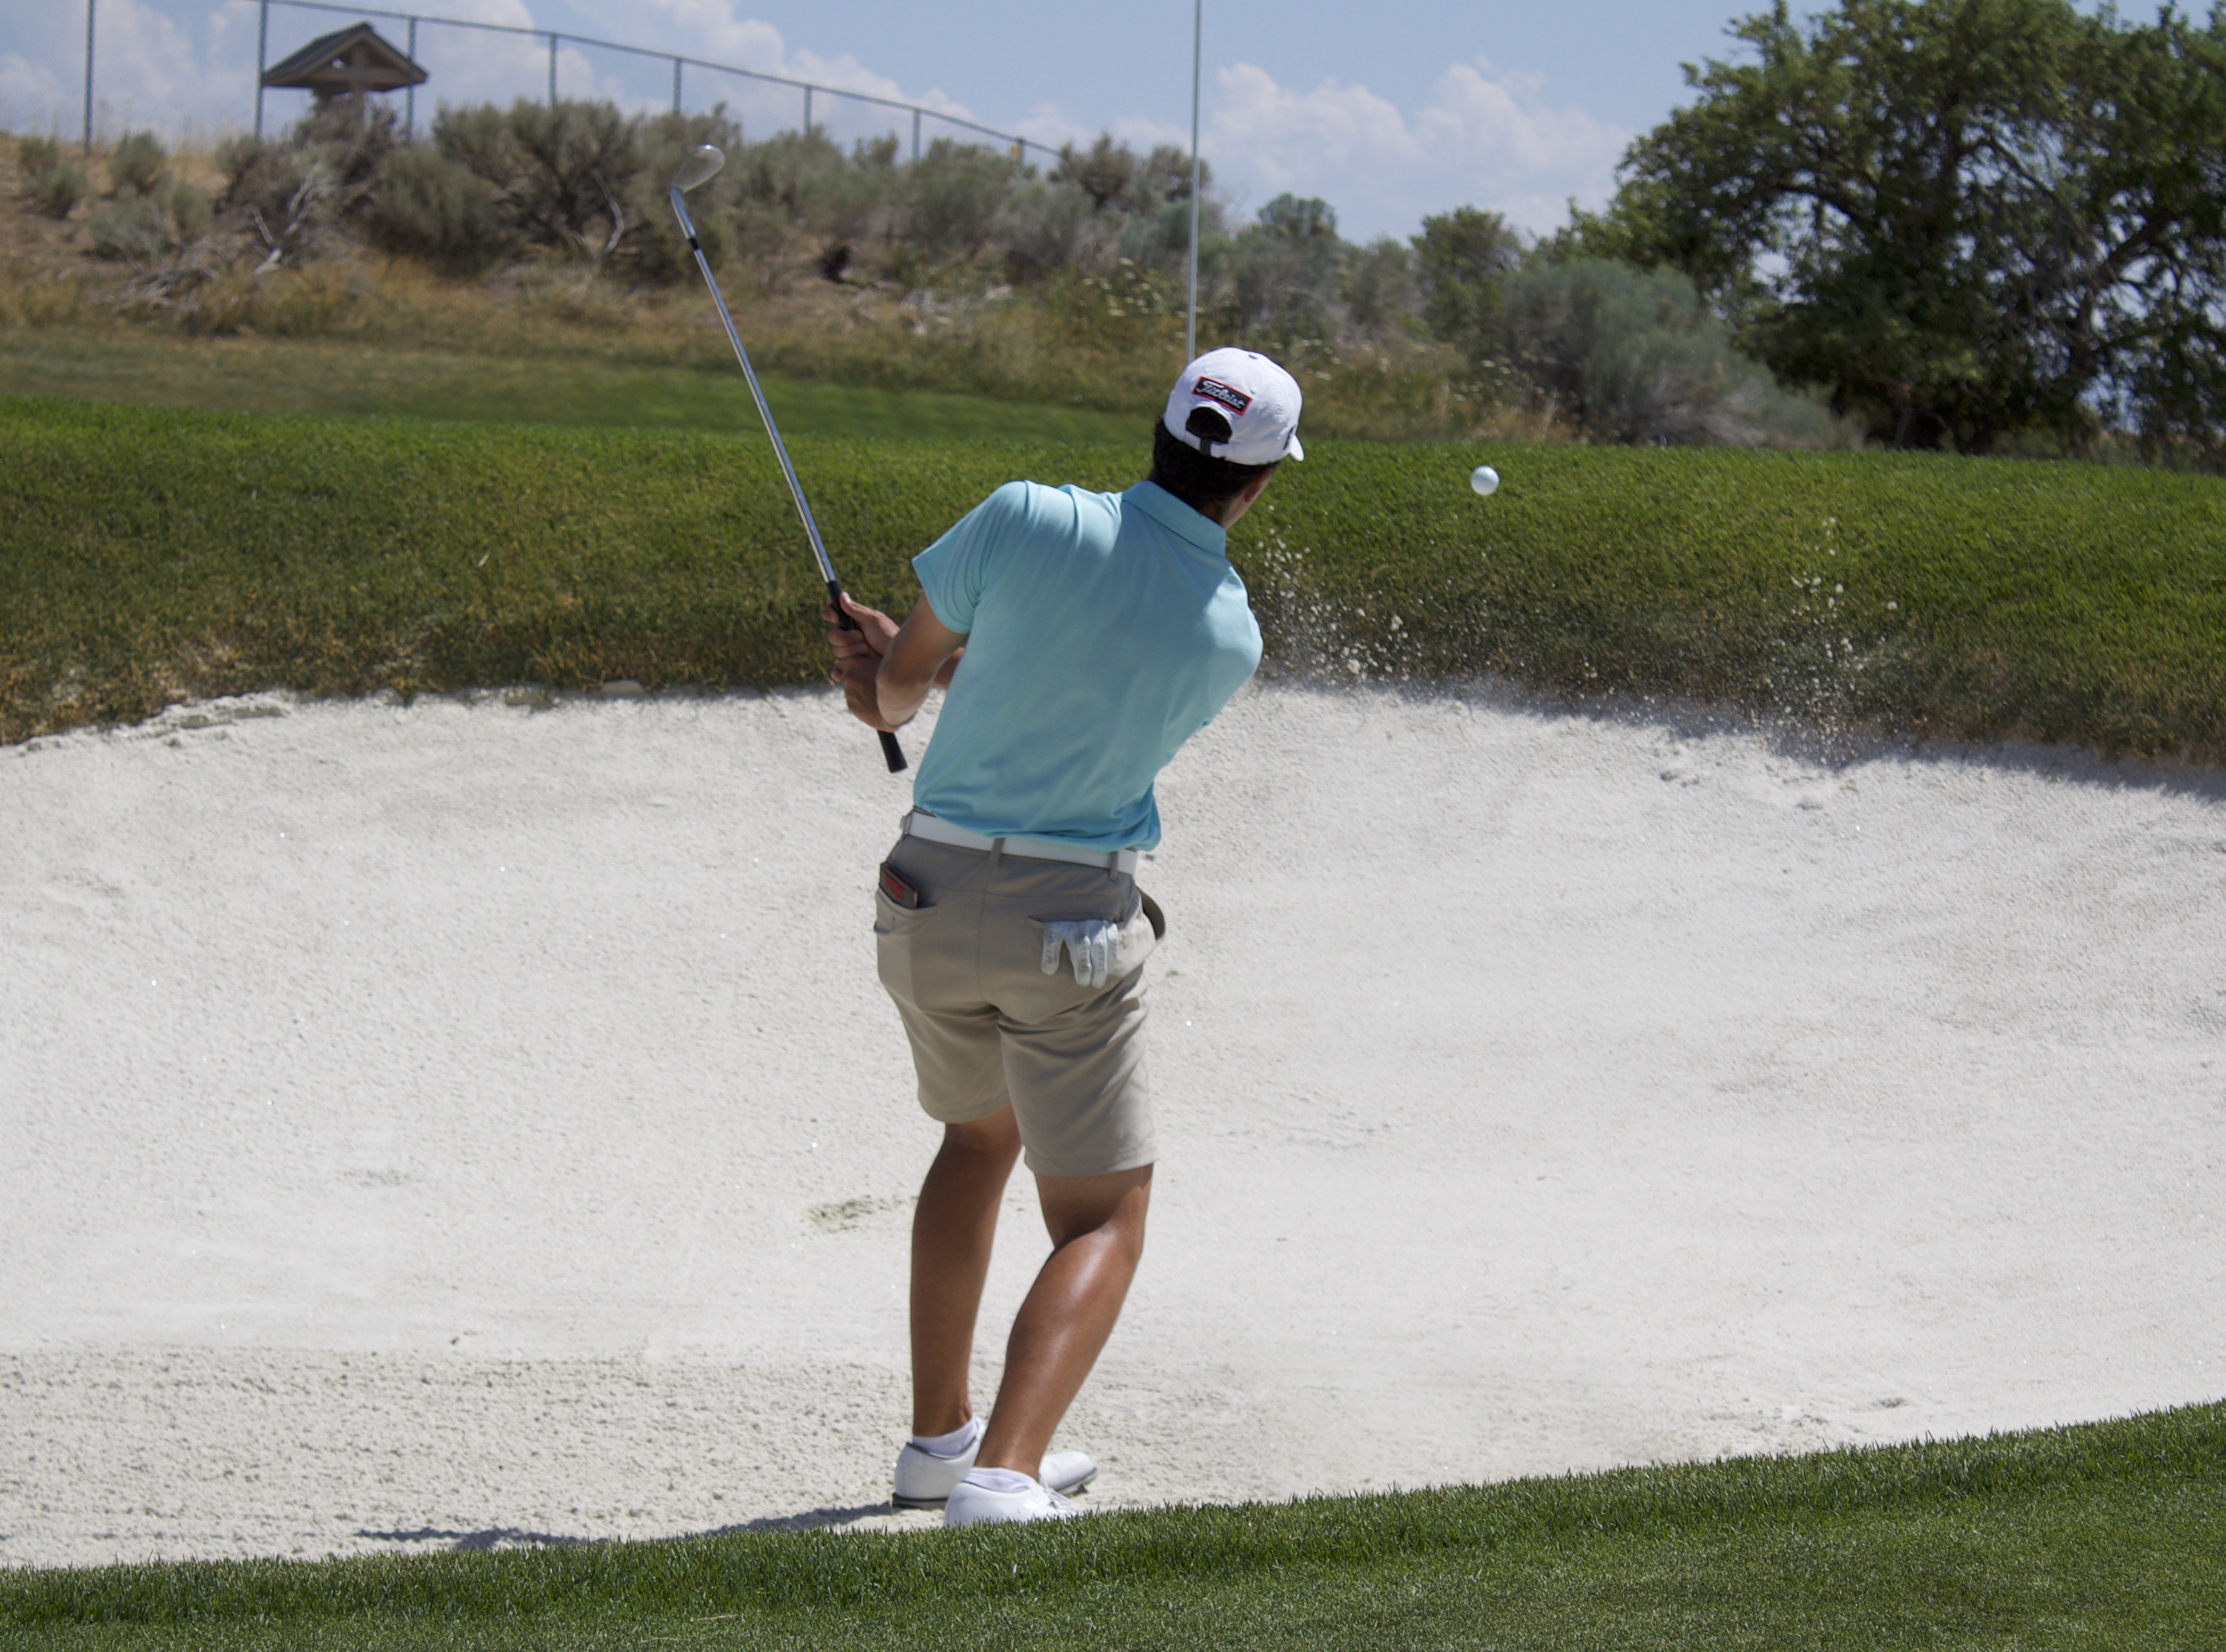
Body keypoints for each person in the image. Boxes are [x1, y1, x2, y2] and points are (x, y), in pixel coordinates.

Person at [822, 348, 1303, 1527]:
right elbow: (1083, 693)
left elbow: (891, 699)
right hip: (1066, 926)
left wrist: (886, 670)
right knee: (1103, 1215)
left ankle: (940, 1442)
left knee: (975, 1142)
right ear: (1255, 485)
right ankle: (1004, 1473)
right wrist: (938, 673)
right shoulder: (1226, 633)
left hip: (922, 895)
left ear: (1158, 431)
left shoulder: (1023, 514)